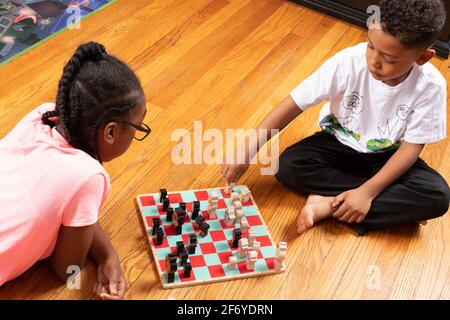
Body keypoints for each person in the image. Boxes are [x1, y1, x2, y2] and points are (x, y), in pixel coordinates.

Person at [222, 0, 450, 236]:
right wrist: (248, 148)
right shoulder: (348, 62)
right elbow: (292, 105)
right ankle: (385, 203)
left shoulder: (431, 86)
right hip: (338, 142)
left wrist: (368, 193)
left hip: (388, 154)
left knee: (437, 196)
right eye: (370, 46)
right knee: (287, 165)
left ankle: (326, 205)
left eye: (390, 59)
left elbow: (411, 149)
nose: (374, 61)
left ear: (423, 57)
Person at [0, 42, 151, 299]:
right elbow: (66, 269)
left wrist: (107, 255)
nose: (138, 130)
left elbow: (70, 207)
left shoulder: (42, 116)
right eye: (138, 127)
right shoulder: (88, 176)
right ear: (111, 132)